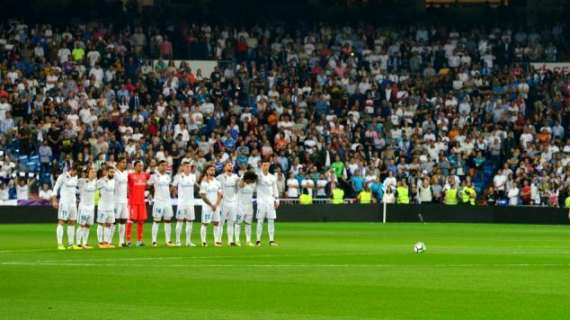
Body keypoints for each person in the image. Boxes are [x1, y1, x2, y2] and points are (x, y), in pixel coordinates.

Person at [52, 165, 80, 250]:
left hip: (73, 203)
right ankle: (60, 244)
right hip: (64, 203)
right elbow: (55, 188)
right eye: (76, 172)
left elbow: (74, 189)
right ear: (72, 169)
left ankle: (71, 244)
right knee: (61, 221)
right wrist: (54, 200)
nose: (76, 174)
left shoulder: (76, 177)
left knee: (72, 222)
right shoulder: (62, 176)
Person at [171, 160, 197, 247]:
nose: (189, 168)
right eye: (187, 167)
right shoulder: (178, 176)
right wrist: (175, 194)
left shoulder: (193, 176)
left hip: (190, 203)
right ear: (183, 167)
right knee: (180, 221)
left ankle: (188, 241)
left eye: (190, 167)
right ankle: (178, 241)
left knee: (190, 222)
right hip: (181, 203)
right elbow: (173, 186)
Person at [149, 160, 174, 247]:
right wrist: (150, 195)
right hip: (158, 201)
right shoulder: (154, 176)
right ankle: (154, 241)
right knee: (156, 220)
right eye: (162, 165)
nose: (164, 167)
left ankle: (168, 241)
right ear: (158, 166)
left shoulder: (168, 176)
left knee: (168, 221)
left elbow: (170, 187)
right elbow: (148, 186)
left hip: (167, 201)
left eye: (165, 165)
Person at [127, 161, 150, 247]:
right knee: (130, 221)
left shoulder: (145, 175)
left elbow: (150, 181)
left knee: (141, 222)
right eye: (139, 166)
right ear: (135, 167)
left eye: (142, 166)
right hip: (133, 202)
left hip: (141, 202)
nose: (141, 167)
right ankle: (128, 240)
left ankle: (139, 240)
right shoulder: (130, 176)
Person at [256, 160, 279, 246]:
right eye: (264, 165)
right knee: (260, 221)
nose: (266, 167)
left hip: (270, 201)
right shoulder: (258, 176)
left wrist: (277, 199)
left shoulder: (272, 177)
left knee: (271, 220)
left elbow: (275, 189)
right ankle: (258, 240)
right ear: (261, 166)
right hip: (261, 201)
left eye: (267, 165)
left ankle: (271, 240)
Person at [216, 161, 240, 246]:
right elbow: (216, 188)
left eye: (231, 165)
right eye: (229, 165)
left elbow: (237, 190)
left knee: (231, 222)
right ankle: (218, 240)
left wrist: (238, 183)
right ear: (225, 167)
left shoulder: (236, 177)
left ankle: (230, 241)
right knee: (221, 222)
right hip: (223, 202)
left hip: (233, 202)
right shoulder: (220, 177)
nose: (230, 167)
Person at [199, 164, 223, 246]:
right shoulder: (204, 182)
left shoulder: (217, 182)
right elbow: (202, 195)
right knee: (205, 223)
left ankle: (216, 241)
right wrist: (211, 204)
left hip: (216, 206)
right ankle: (203, 241)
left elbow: (220, 194)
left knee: (216, 223)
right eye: (211, 170)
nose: (213, 171)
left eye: (213, 170)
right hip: (207, 206)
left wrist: (216, 204)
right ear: (207, 171)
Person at [111, 157, 129, 247]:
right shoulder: (114, 172)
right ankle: (109, 241)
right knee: (114, 221)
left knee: (123, 221)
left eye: (125, 162)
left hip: (124, 200)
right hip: (116, 200)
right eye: (122, 162)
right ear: (118, 164)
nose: (124, 164)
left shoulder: (126, 173)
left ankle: (121, 242)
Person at [77, 167, 97, 249]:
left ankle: (85, 243)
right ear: (88, 173)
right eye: (92, 172)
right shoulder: (82, 181)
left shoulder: (96, 182)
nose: (94, 173)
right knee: (82, 225)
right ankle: (78, 243)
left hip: (91, 207)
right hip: (83, 206)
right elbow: (75, 183)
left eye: (94, 172)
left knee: (88, 225)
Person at [96, 167, 116, 248]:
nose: (112, 173)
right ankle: (100, 242)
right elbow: (96, 187)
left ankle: (106, 242)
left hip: (110, 207)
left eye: (113, 172)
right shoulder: (101, 180)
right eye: (111, 172)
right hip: (102, 207)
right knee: (101, 224)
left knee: (108, 224)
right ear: (107, 172)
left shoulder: (114, 181)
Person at [237, 170, 257, 246]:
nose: (252, 181)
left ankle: (248, 241)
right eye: (251, 179)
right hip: (240, 205)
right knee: (238, 223)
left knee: (248, 223)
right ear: (247, 178)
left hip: (249, 206)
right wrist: (243, 177)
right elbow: (240, 185)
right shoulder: (241, 182)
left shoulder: (252, 184)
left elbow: (256, 179)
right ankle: (237, 240)